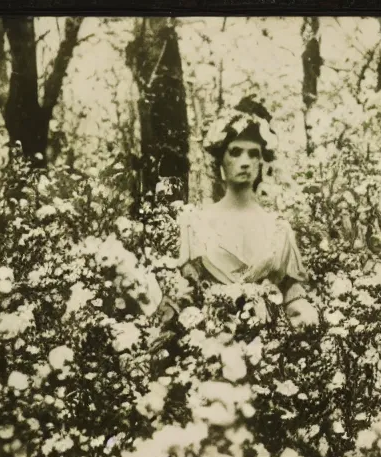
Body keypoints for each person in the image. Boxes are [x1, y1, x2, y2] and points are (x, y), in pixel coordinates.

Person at [125, 95, 318, 328]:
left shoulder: (279, 229)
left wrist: (304, 317)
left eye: (253, 153)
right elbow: (186, 292)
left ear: (262, 162)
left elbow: (292, 294)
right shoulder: (196, 224)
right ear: (221, 161)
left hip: (270, 345)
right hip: (211, 345)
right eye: (235, 152)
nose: (245, 162)